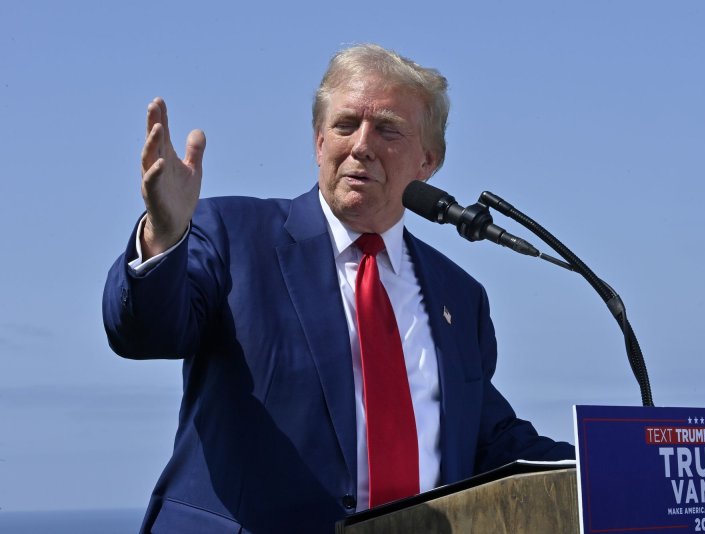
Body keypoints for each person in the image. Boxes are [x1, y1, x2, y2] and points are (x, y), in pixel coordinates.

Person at [103, 43, 574, 533]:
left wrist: (605, 467)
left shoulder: (460, 296)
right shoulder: (231, 233)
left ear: (429, 161)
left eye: (388, 129)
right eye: (346, 125)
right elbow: (145, 332)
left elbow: (488, 441)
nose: (361, 145)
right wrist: (162, 237)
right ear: (319, 142)